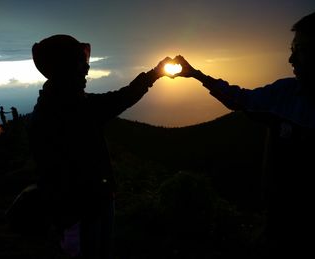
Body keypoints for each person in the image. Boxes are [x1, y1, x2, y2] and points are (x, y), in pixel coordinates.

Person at [173, 11, 315, 257]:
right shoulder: (285, 93)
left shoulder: (288, 98)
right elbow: (241, 99)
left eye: (299, 49)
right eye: (291, 48)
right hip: (278, 221)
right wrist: (197, 75)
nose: (291, 58)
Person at [29, 34, 170, 258]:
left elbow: (117, 99)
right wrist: (154, 74)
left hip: (85, 206)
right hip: (82, 209)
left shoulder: (58, 103)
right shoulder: (71, 109)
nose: (86, 69)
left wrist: (154, 74)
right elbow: (120, 99)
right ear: (66, 67)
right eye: (81, 63)